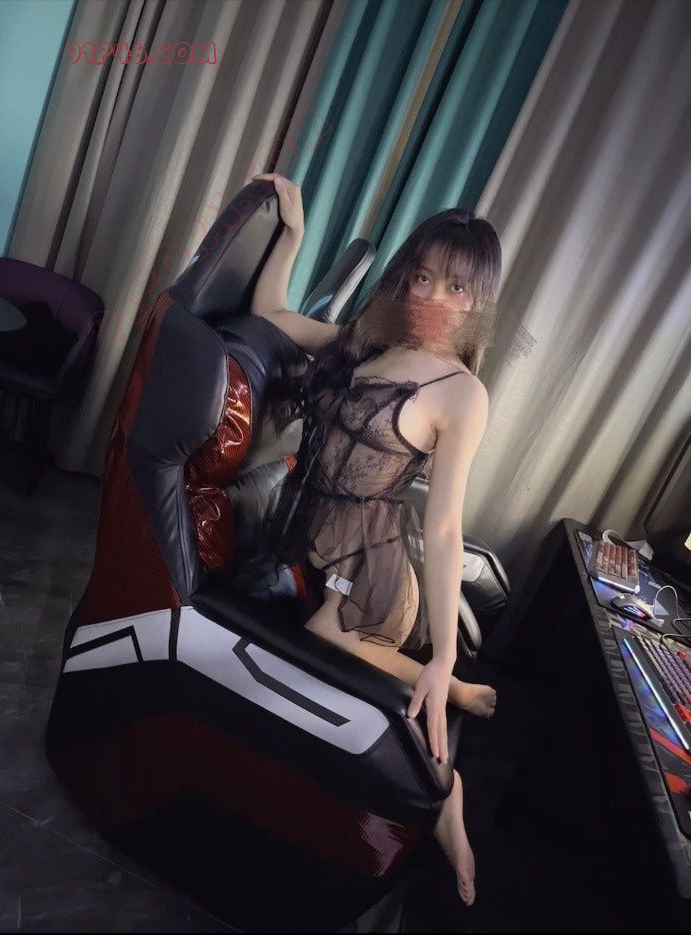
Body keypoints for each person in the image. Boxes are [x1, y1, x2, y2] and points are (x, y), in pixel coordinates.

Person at [245, 172, 503, 907]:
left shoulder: (461, 392)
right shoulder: (366, 341)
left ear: (478, 299)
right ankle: (441, 684)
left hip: (370, 568)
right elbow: (270, 314)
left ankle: (447, 788)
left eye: (455, 286)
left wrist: (444, 652)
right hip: (307, 543)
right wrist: (293, 232)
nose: (433, 297)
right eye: (422, 277)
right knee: (300, 616)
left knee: (323, 631)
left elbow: (444, 527)